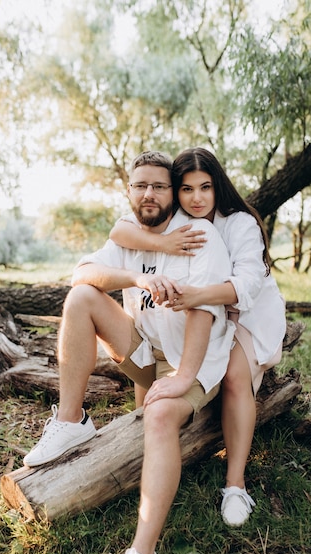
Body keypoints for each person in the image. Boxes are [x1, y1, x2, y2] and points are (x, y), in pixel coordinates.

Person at [23, 150, 236, 554]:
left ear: (173, 191)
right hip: (147, 348)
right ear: (129, 191)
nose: (149, 194)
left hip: (193, 361)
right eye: (140, 186)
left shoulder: (197, 237)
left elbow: (203, 315)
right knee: (81, 298)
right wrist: (141, 272)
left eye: (159, 186)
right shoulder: (132, 233)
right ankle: (71, 421)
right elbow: (83, 274)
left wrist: (182, 379)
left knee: (159, 413)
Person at [110, 146, 286, 528]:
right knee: (158, 366)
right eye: (187, 189)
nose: (196, 198)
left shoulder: (238, 223)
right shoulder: (172, 221)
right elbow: (120, 229)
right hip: (202, 316)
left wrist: (197, 296)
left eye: (205, 187)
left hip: (248, 315)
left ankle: (236, 483)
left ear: (217, 186)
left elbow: (248, 285)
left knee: (236, 377)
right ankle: (149, 457)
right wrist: (160, 246)